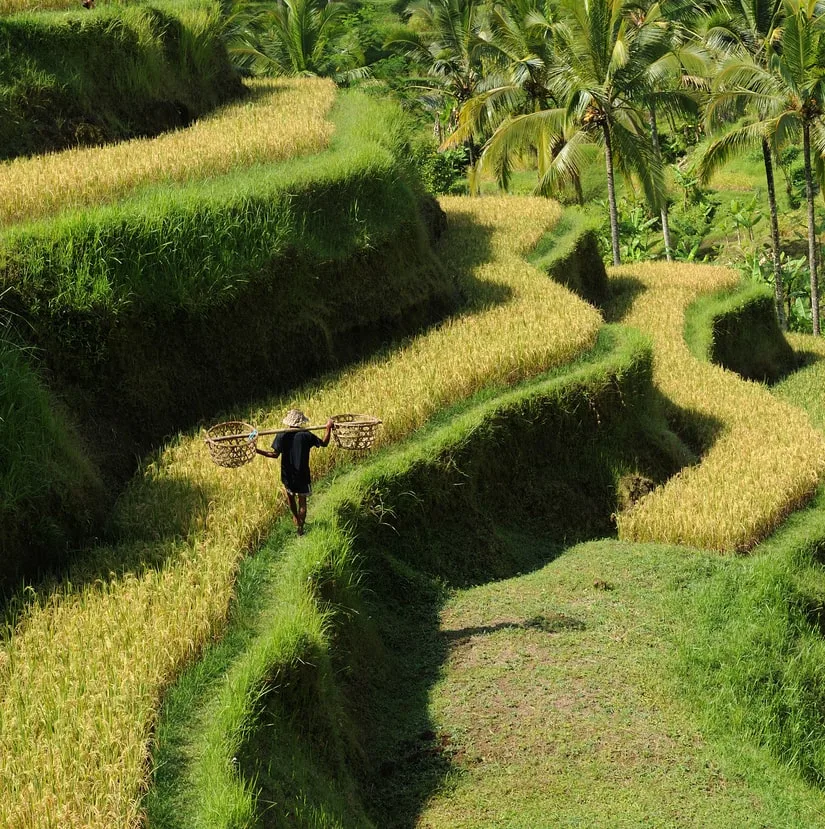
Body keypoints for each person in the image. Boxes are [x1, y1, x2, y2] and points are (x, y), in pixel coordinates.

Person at [256, 409, 333, 535]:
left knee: (290, 498)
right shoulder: (306, 435)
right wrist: (328, 428)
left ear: (289, 422)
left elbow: (274, 455)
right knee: (302, 501)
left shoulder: (282, 435)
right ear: (301, 422)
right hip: (302, 474)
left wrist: (256, 450)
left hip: (288, 475)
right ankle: (300, 527)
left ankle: (296, 517)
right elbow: (324, 443)